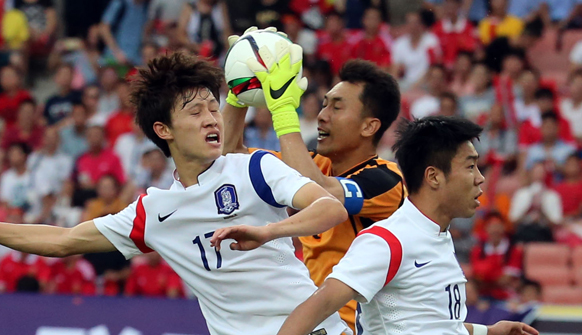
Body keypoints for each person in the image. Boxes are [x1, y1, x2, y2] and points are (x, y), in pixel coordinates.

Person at [0, 52, 349, 335]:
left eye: (214, 108)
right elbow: (64, 241)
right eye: (195, 111)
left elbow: (330, 208)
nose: (211, 119)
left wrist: (267, 232)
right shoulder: (155, 212)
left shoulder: (255, 167)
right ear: (163, 129)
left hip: (315, 330)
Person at [265, 116, 539, 335]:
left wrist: (488, 331)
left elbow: (431, 323)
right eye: (470, 167)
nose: (480, 179)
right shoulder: (387, 241)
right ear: (433, 177)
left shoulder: (437, 234)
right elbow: (316, 307)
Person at [223, 28, 405, 332]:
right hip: (312, 323)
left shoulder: (387, 179)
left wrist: (282, 110)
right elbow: (229, 154)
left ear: (369, 126)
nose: (322, 115)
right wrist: (240, 88)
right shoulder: (313, 162)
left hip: (358, 328)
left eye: (337, 107)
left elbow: (319, 191)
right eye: (324, 104)